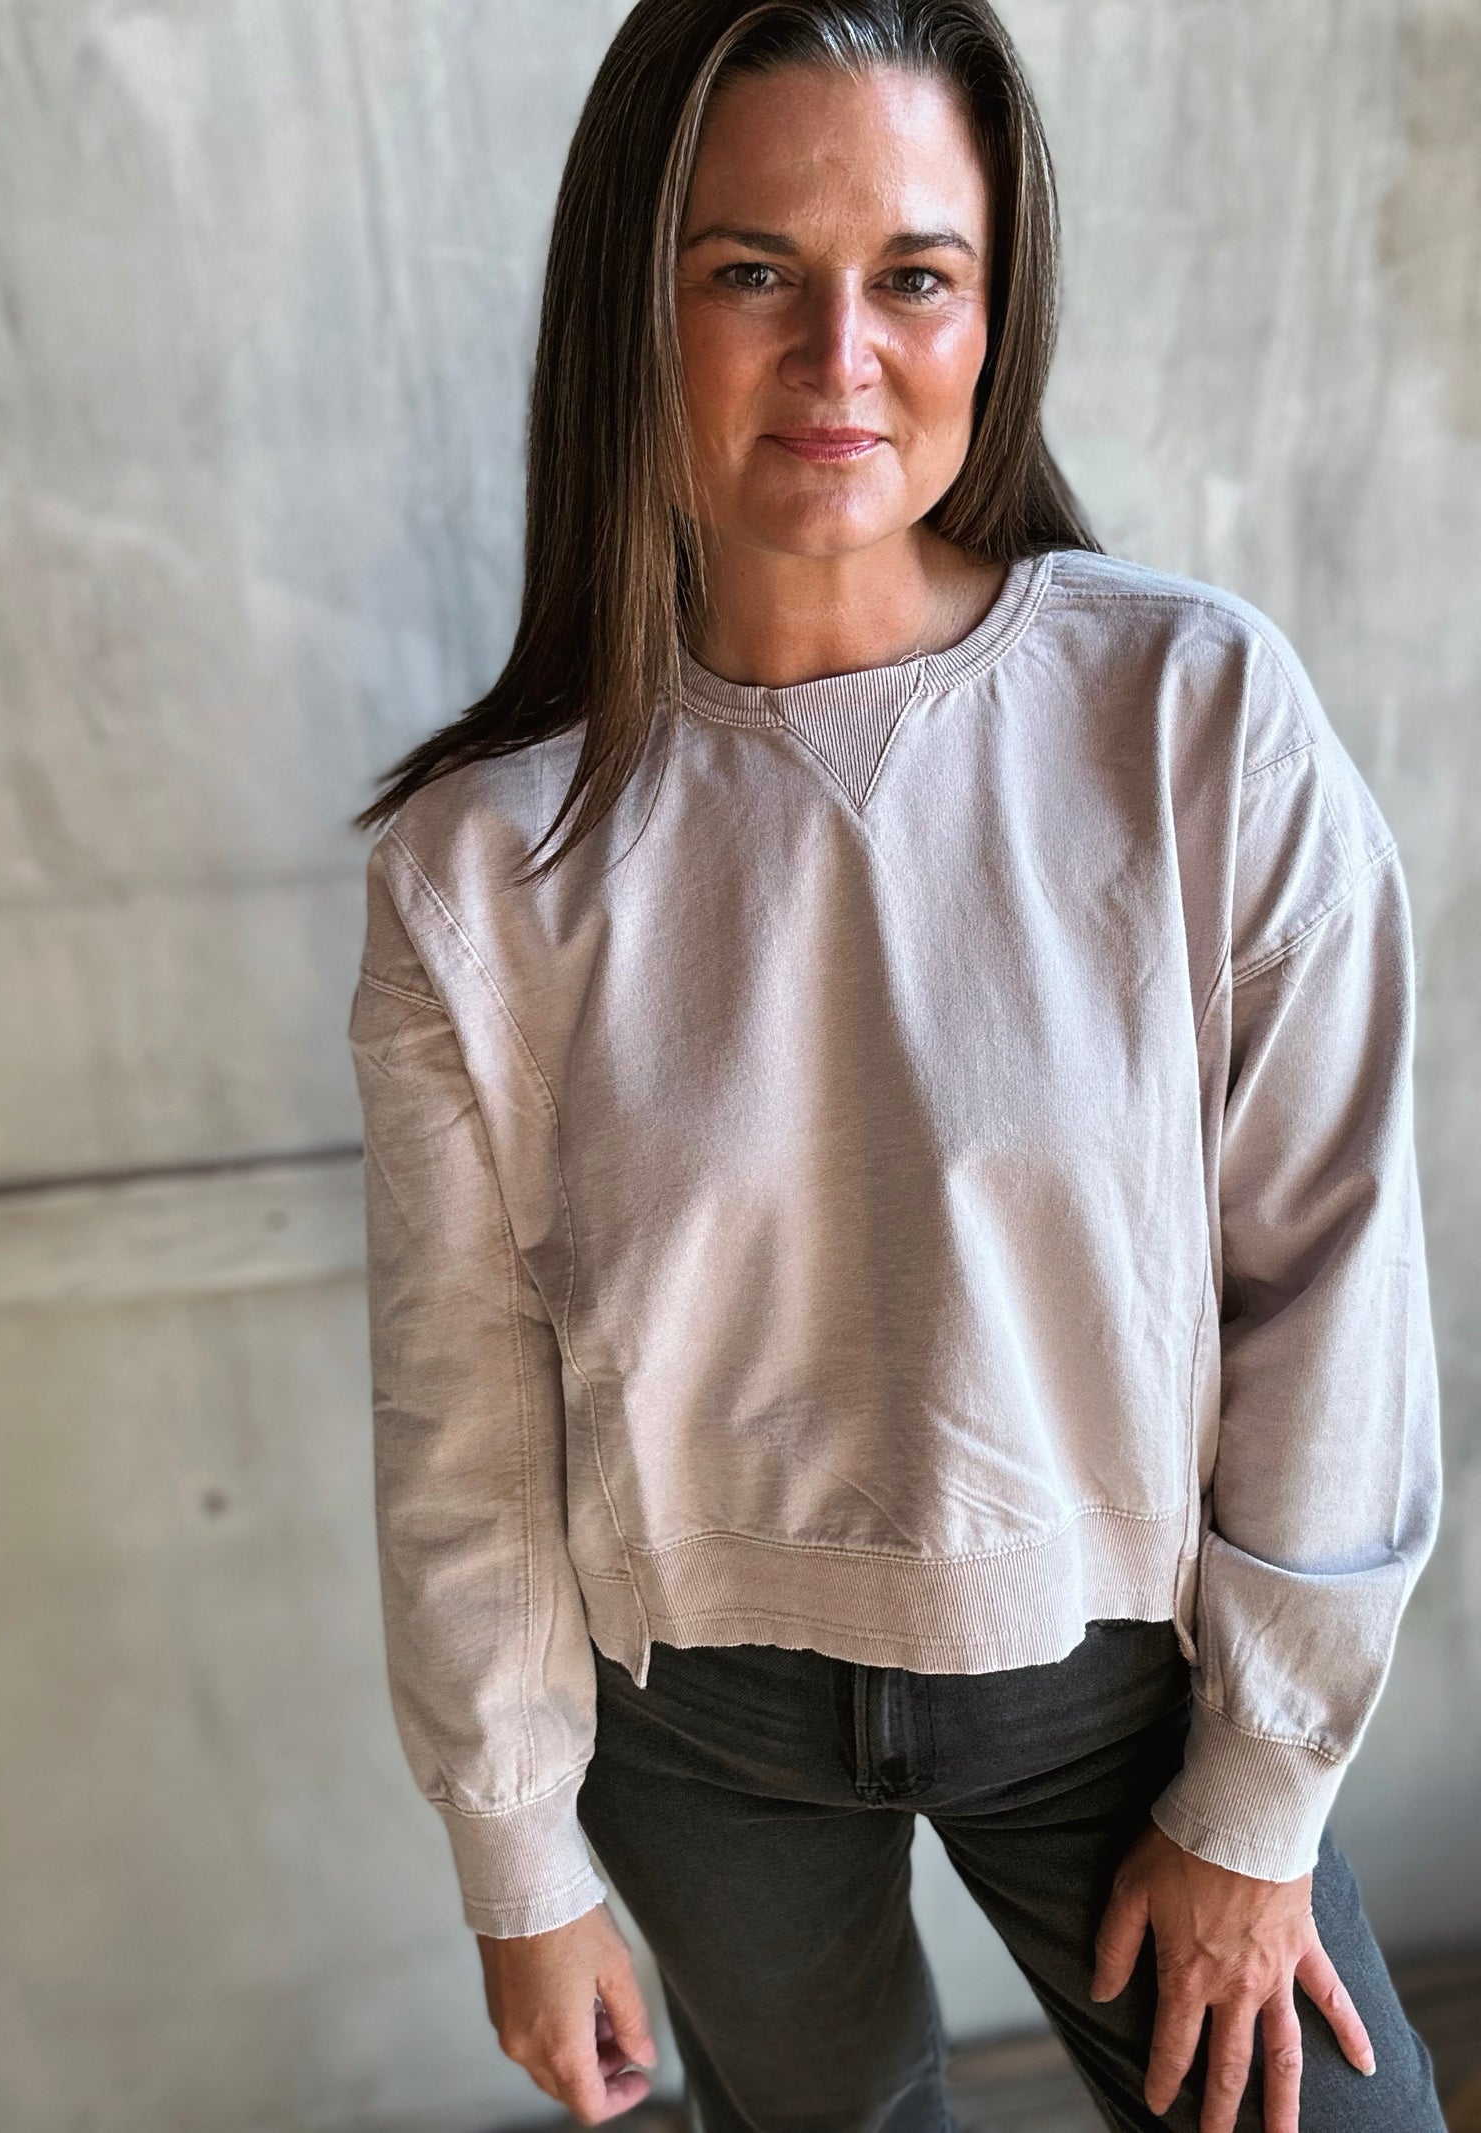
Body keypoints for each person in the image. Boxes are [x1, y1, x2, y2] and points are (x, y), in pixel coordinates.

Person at [347, 3, 1445, 2129]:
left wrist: (1256, 1789)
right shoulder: (481, 862)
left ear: (989, 312)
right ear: (631, 310)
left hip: (1112, 1679)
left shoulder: (1185, 715)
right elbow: (460, 1402)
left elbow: (1333, 1279)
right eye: (752, 271)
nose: (840, 355)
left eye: (913, 277)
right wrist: (516, 1852)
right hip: (691, 1730)